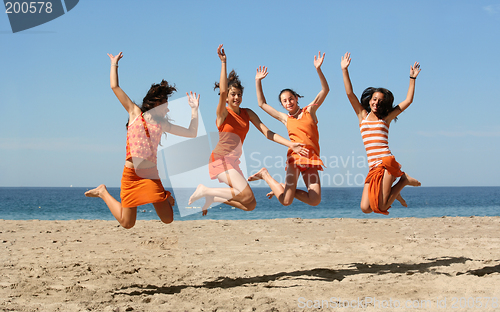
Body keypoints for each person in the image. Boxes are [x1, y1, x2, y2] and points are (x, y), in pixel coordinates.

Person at [85, 52, 200, 228]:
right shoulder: (135, 113)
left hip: (151, 176)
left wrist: (194, 111)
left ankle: (165, 196)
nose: (168, 109)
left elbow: (192, 133)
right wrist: (114, 64)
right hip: (131, 176)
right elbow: (115, 87)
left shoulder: (162, 125)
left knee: (168, 219)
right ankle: (102, 192)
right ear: (156, 103)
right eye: (166, 105)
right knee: (127, 223)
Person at [188, 44, 307, 215]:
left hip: (233, 162)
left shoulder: (247, 113)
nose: (236, 97)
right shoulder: (223, 114)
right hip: (219, 160)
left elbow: (267, 133)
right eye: (233, 94)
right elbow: (222, 91)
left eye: (239, 94)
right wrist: (223, 63)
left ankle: (214, 198)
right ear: (227, 97)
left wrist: (291, 144)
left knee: (250, 204)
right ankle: (205, 190)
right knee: (245, 194)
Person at [340, 52, 421, 215]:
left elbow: (408, 101)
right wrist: (344, 70)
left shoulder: (386, 118)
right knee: (365, 208)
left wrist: (412, 79)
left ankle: (403, 181)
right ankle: (393, 192)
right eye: (374, 99)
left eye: (380, 101)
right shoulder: (362, 115)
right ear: (370, 100)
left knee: (382, 206)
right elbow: (350, 93)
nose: (377, 103)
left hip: (386, 163)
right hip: (373, 167)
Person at [247, 52, 329, 207]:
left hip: (311, 158)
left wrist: (319, 70)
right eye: (284, 101)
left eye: (291, 99)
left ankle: (284, 187)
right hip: (295, 158)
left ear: (296, 98)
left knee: (315, 200)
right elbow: (262, 104)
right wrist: (258, 81)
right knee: (286, 201)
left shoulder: (309, 111)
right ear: (282, 105)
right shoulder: (286, 118)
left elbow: (325, 90)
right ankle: (265, 175)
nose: (288, 102)